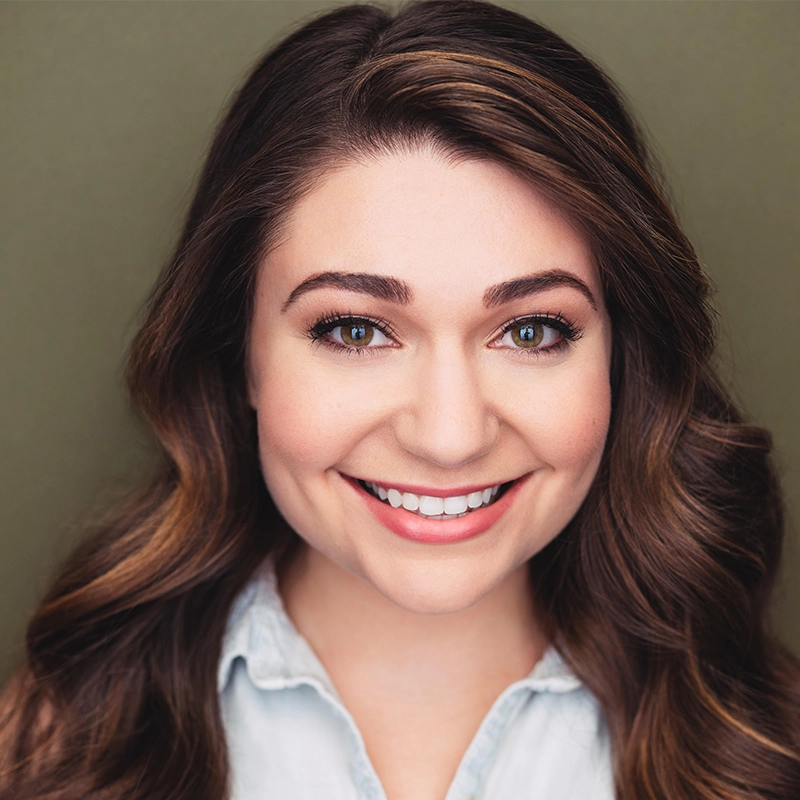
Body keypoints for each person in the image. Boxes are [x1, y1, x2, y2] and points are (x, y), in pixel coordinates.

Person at [1, 1, 798, 798]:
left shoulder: (770, 748)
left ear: (625, 359)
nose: (449, 437)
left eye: (530, 332)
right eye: (354, 331)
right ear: (238, 354)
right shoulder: (49, 755)